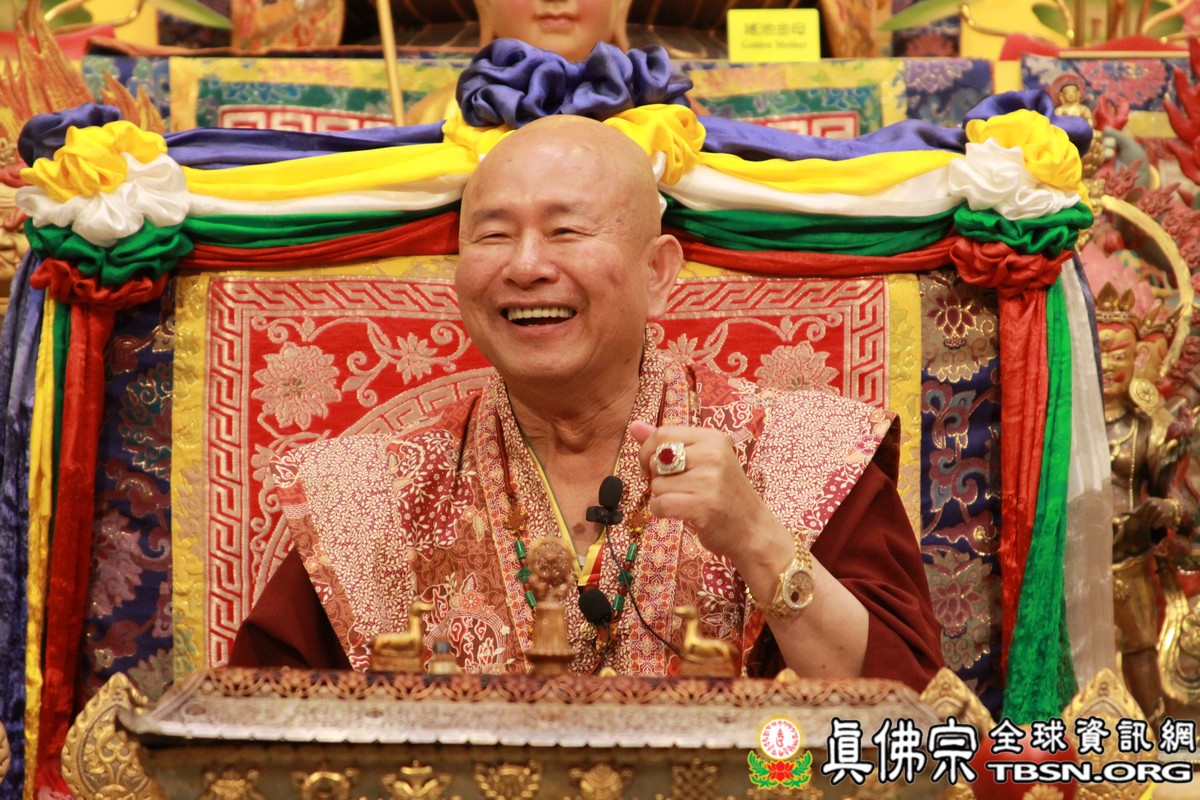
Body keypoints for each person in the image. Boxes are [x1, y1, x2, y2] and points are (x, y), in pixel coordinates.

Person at [229, 115, 943, 689]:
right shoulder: (367, 493)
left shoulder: (799, 454)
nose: (526, 265)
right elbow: (257, 729)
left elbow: (904, 720)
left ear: (658, 272)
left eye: (566, 231)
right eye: (493, 235)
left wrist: (757, 536)